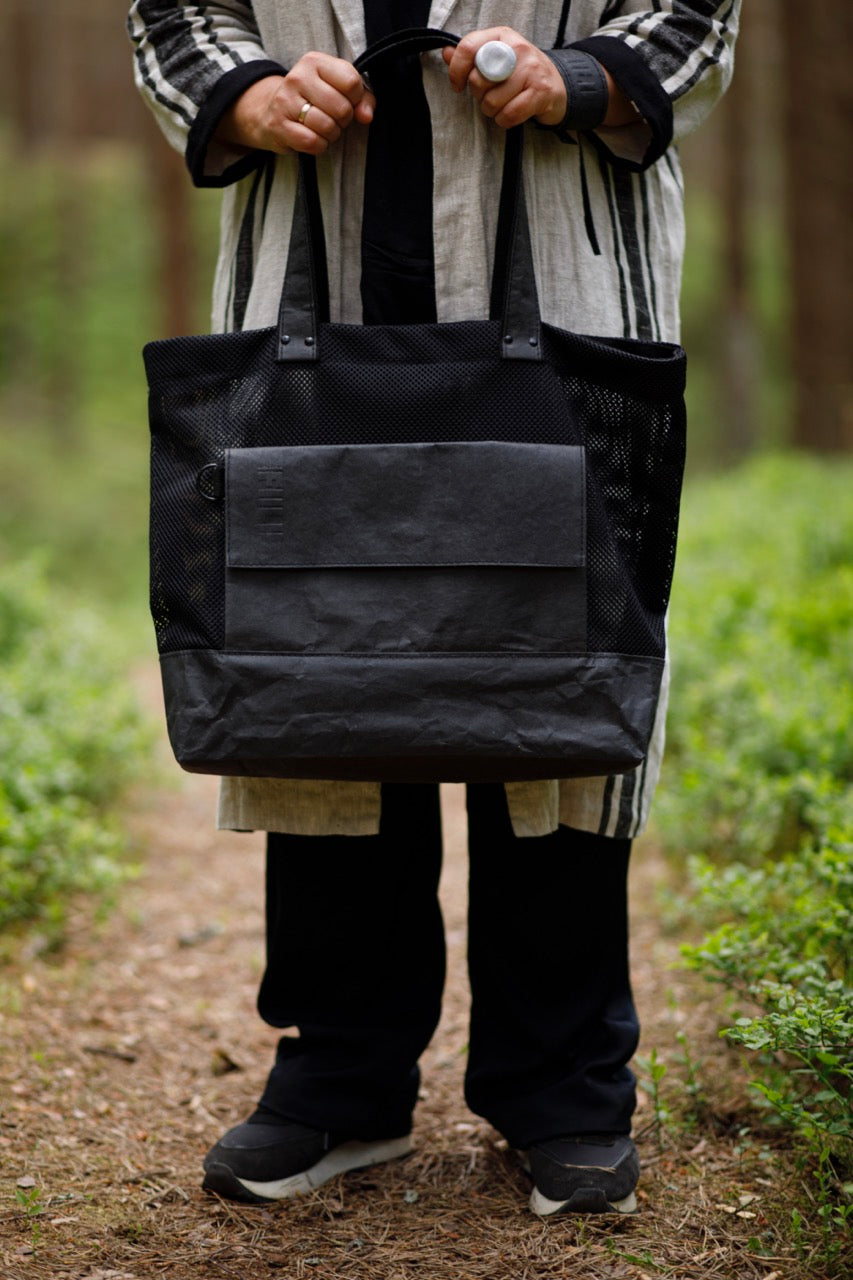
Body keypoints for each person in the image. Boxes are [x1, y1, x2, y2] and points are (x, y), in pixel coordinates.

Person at [128, 0, 738, 1216]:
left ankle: (563, 1081)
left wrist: (585, 77)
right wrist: (242, 91)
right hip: (315, 234)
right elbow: (171, 12)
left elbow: (696, 13)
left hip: (562, 252)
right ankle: (341, 1075)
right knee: (314, 657)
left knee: (555, 659)